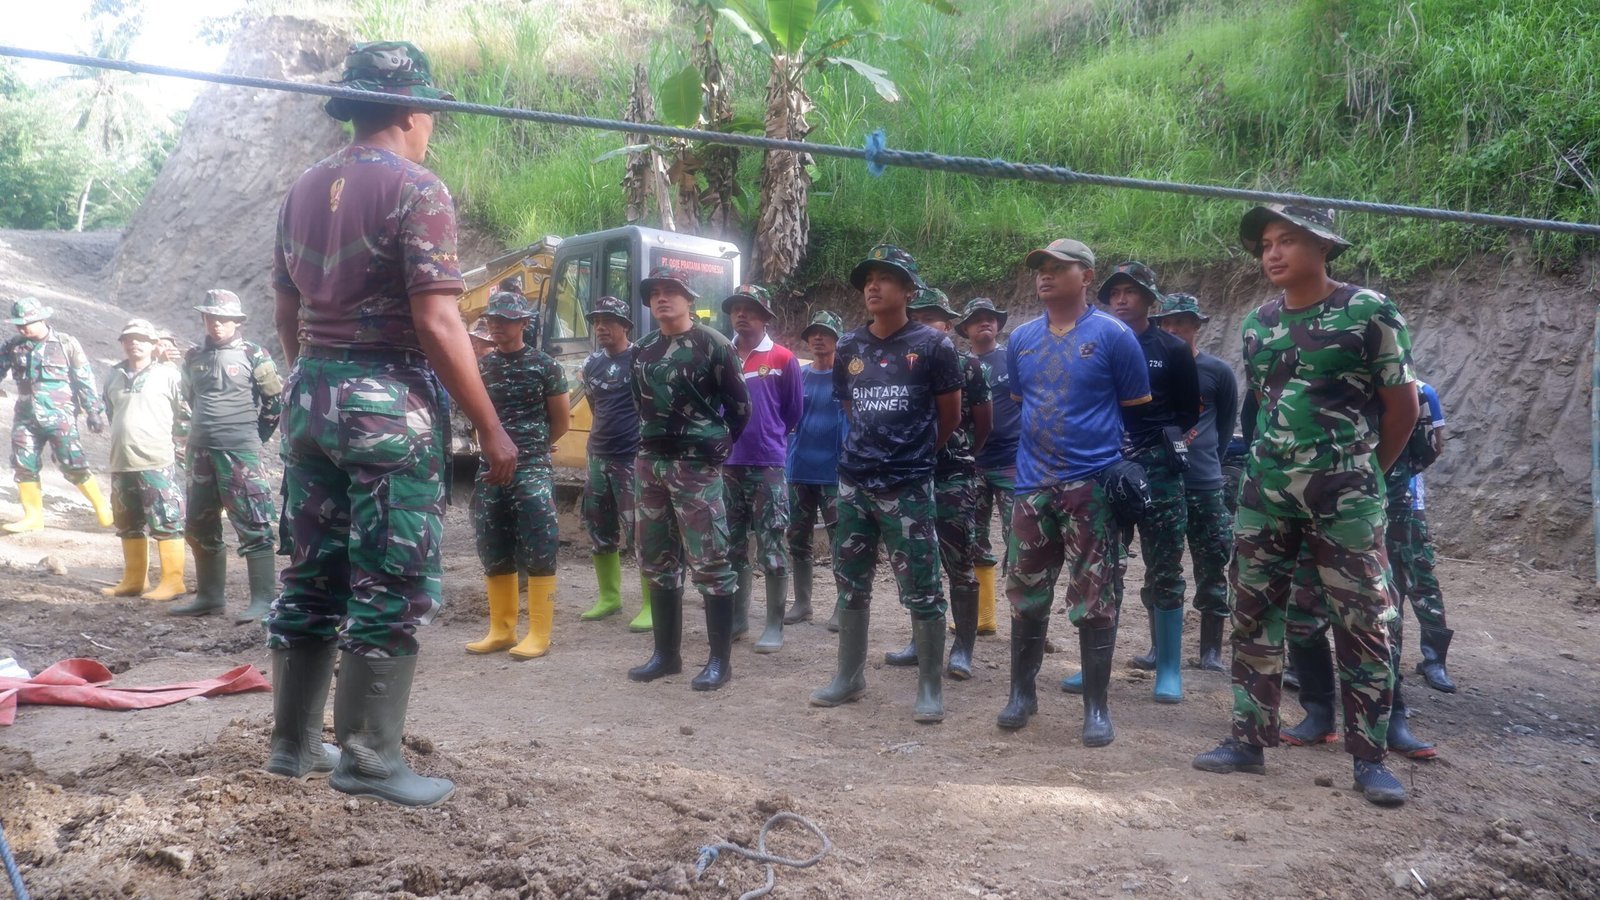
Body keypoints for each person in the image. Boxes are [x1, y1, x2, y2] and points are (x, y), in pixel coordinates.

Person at [265, 41, 517, 808]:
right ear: (413, 110)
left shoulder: (302, 189)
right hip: (386, 406)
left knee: (311, 574)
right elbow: (437, 320)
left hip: (311, 396)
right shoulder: (418, 189)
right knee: (390, 579)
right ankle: (370, 759)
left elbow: (285, 309)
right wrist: (490, 426)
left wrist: (317, 381)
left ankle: (292, 746)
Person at [1192, 204, 1419, 807]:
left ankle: (1369, 759)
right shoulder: (1258, 323)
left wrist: (1363, 474)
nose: (1272, 252)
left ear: (1323, 246)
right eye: (1266, 243)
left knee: (1363, 623)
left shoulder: (1369, 311)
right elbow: (1266, 407)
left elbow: (1403, 409)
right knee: (1252, 614)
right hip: (1264, 497)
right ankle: (1248, 740)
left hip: (1345, 501)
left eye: (1287, 240)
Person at [999, 239, 1151, 746]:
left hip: (1091, 487)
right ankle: (1022, 694)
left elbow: (1137, 411)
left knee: (1095, 596)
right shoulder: (1021, 339)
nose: (1044, 274)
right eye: (1040, 267)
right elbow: (1023, 401)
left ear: (1086, 276)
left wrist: (1118, 468)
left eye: (1057, 267)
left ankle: (1096, 707)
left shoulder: (1113, 335)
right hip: (1031, 487)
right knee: (1025, 592)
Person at [809, 245, 961, 724]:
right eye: (868, 279)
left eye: (886, 278)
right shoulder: (849, 346)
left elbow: (950, 416)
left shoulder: (934, 346)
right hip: (853, 483)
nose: (873, 286)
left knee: (922, 585)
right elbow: (851, 408)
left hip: (908, 486)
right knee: (850, 581)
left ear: (909, 290)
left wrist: (912, 454)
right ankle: (849, 676)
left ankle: (929, 687)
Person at [626, 266, 751, 691]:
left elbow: (740, 407)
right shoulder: (642, 350)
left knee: (711, 561)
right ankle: (666, 656)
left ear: (689, 298)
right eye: (655, 292)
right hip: (651, 465)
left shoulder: (714, 345)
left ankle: (719, 662)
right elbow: (639, 404)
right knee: (656, 560)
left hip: (696, 468)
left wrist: (718, 445)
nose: (662, 298)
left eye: (671, 291)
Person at [1099, 262, 1200, 704]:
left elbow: (1188, 412)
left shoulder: (1171, 348)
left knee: (1165, 565)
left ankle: (1169, 668)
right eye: (1114, 292)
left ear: (1149, 298)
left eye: (1131, 291)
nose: (1121, 299)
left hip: (1158, 465)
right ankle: (1097, 665)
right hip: (1106, 463)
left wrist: (1152, 443)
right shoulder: (1096, 341)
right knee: (1103, 565)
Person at [885, 288, 991, 681]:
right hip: (910, 476)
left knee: (959, 562)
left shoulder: (969, 366)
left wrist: (960, 456)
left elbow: (984, 424)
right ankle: (922, 640)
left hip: (952, 478)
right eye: (919, 318)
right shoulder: (898, 365)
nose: (925, 325)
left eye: (933, 318)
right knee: (916, 562)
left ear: (948, 325)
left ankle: (963, 647)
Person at [464, 292, 570, 660]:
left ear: (524, 323)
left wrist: (532, 447)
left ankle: (539, 633)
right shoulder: (482, 367)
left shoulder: (545, 366)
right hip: (491, 468)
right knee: (492, 542)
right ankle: (502, 629)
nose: (495, 324)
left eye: (505, 319)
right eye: (492, 318)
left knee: (539, 542)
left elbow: (561, 421)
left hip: (531, 466)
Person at [170, 289, 286, 621]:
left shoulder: (254, 354)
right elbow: (188, 399)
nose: (217, 324)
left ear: (237, 321)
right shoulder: (193, 356)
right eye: (211, 317)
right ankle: (209, 597)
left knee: (254, 523)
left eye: (223, 319)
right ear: (203, 319)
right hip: (200, 450)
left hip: (240, 451)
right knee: (199, 523)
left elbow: (274, 403)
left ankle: (263, 600)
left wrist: (253, 439)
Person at [1152, 292, 1238, 671]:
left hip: (1205, 483)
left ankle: (1210, 651)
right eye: (1167, 323)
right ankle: (1159, 649)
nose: (1173, 329)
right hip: (1162, 481)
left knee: (1213, 563)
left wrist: (1207, 463)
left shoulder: (1217, 371)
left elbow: (1225, 426)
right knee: (1160, 566)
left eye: (1182, 322)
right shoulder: (1151, 369)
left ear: (1196, 326)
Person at [721, 284, 803, 652]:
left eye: (750, 309)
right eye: (736, 308)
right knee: (732, 545)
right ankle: (738, 619)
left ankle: (773, 625)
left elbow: (793, 412)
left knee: (772, 544)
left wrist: (768, 437)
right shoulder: (721, 355)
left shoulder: (783, 358)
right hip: (728, 465)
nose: (741, 314)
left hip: (767, 464)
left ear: (765, 317)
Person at [0, 296, 114, 532]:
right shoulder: (14, 346)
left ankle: (101, 506)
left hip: (59, 417)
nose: (22, 328)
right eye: (19, 324)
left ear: (41, 319)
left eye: (27, 323)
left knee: (72, 463)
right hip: (25, 417)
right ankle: (33, 517)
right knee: (23, 463)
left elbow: (84, 378)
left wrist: (93, 410)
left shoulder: (65, 344)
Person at [100, 319, 191, 603]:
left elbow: (185, 414)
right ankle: (134, 580)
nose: (134, 343)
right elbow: (111, 412)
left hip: (156, 460)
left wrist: (180, 449)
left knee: (166, 520)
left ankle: (173, 581)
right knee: (127, 521)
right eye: (128, 339)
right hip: (122, 461)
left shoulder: (169, 375)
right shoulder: (113, 375)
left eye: (141, 339)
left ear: (154, 345)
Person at [577, 295, 648, 629]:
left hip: (631, 458)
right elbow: (595, 406)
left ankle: (652, 604)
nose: (601, 327)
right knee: (599, 529)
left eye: (608, 321)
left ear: (625, 326)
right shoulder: (592, 364)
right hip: (598, 457)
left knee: (642, 532)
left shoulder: (639, 360)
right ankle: (609, 598)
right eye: (597, 321)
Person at [783, 310, 846, 629]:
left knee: (841, 541)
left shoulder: (846, 378)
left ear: (838, 339)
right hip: (799, 470)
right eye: (813, 333)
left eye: (826, 332)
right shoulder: (799, 376)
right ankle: (803, 603)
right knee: (798, 538)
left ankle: (844, 605)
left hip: (834, 473)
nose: (818, 338)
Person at [959, 297, 1015, 636]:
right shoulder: (959, 365)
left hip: (1013, 462)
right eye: (977, 318)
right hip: (973, 464)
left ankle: (1027, 618)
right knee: (973, 537)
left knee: (1021, 538)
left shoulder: (1013, 358)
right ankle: (984, 618)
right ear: (965, 328)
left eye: (990, 317)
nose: (985, 322)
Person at [1403, 380, 1455, 693]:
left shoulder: (1422, 391)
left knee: (1421, 578)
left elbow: (1435, 447)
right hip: (1363, 498)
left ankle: (1435, 660)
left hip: (1407, 501)